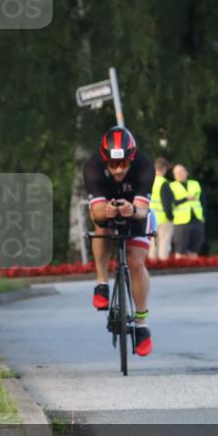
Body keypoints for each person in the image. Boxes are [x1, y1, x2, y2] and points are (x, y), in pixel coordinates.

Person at [84, 125, 155, 357]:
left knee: (136, 264)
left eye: (123, 163)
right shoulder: (93, 167)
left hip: (135, 212)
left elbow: (144, 211)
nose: (117, 169)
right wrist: (109, 211)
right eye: (112, 164)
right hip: (106, 210)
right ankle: (102, 281)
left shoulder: (144, 166)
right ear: (104, 159)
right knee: (100, 224)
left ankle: (142, 325)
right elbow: (95, 213)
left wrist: (131, 209)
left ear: (132, 158)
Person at [166, 164, 206, 258]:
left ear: (186, 172)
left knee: (194, 249)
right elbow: (170, 203)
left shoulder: (195, 183)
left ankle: (194, 271)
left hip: (197, 220)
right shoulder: (171, 186)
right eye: (176, 173)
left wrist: (203, 215)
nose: (179, 174)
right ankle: (179, 271)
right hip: (181, 222)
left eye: (181, 171)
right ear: (174, 175)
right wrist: (186, 199)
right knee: (180, 250)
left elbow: (203, 201)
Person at [148, 157, 174, 261]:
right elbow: (166, 203)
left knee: (152, 244)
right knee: (164, 243)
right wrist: (170, 217)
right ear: (164, 169)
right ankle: (163, 265)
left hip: (151, 219)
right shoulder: (164, 183)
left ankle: (152, 266)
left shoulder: (149, 181)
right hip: (164, 219)